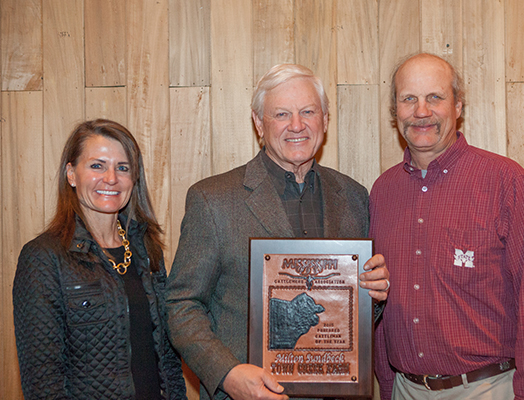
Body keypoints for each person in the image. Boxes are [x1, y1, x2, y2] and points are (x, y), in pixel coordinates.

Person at [166, 64, 390, 400]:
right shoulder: (212, 200)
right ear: (259, 123)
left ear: (325, 120)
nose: (297, 125)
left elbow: (350, 311)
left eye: (308, 112)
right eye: (281, 114)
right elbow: (181, 305)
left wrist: (373, 293)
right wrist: (227, 374)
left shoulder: (354, 196)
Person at [370, 53, 524, 399]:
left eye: (435, 97)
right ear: (394, 110)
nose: (421, 111)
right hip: (404, 388)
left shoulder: (505, 181)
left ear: (458, 106)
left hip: (485, 388)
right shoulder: (382, 192)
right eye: (408, 98)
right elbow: (379, 299)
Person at [13, 119, 187, 399]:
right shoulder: (44, 257)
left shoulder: (146, 249)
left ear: (134, 178)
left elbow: (166, 358)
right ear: (71, 174)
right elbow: (43, 379)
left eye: (123, 167)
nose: (111, 178)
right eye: (97, 165)